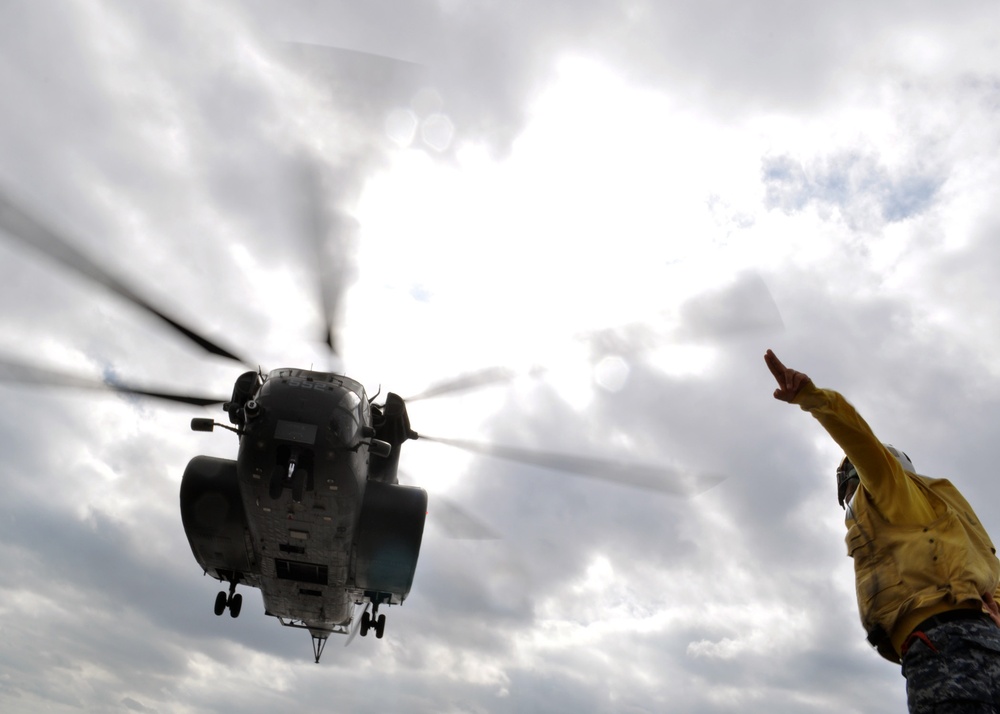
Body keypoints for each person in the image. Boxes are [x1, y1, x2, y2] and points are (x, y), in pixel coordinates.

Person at [765, 349, 1000, 712]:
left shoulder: (887, 489)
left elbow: (859, 440)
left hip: (943, 644)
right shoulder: (951, 512)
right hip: (987, 643)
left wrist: (812, 398)